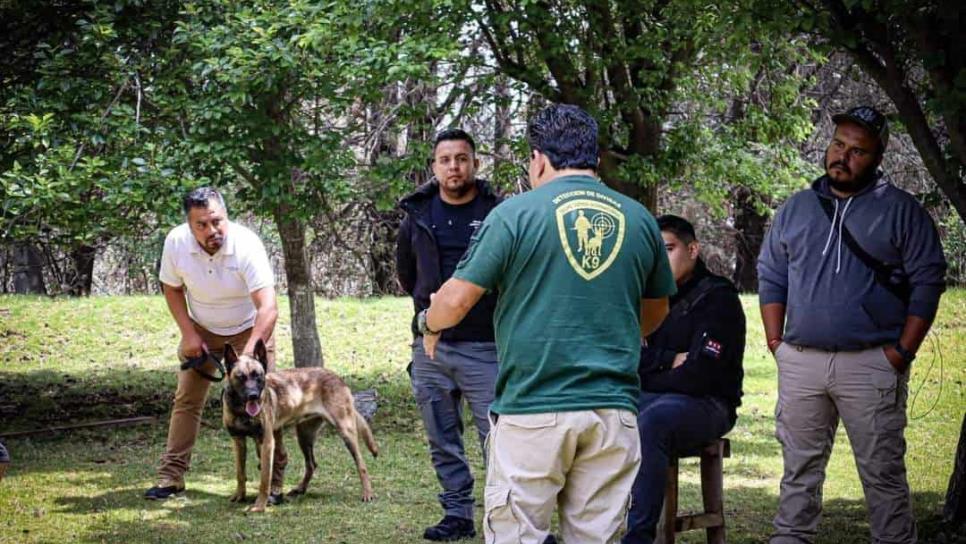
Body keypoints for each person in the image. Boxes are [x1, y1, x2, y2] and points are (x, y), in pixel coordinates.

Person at [420, 104, 676, 544]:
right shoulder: (639, 219)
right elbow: (656, 312)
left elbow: (456, 301)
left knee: (517, 534)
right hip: (612, 412)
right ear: (595, 158)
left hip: (533, 407)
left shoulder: (514, 214)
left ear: (538, 158)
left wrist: (429, 322)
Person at [757, 106, 947, 543]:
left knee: (882, 477)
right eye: (838, 145)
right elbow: (771, 274)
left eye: (857, 151)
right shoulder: (796, 208)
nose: (842, 157)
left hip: (872, 363)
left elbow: (928, 282)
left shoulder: (902, 211)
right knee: (798, 474)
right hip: (802, 361)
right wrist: (775, 344)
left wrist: (901, 354)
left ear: (878, 156)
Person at [144, 187, 286, 502]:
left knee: (264, 402)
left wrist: (249, 355)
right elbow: (171, 289)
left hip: (251, 331)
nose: (212, 230)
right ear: (189, 225)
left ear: (226, 216)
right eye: (202, 225)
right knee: (186, 400)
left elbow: (269, 308)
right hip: (204, 330)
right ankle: (171, 477)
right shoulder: (176, 243)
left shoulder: (247, 244)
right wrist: (188, 333)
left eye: (217, 221)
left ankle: (274, 485)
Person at [396, 128, 503, 541]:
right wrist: (429, 311)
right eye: (445, 160)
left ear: (475, 163)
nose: (454, 167)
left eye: (462, 158)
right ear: (434, 167)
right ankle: (457, 513)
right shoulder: (418, 214)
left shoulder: (498, 211)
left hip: (487, 343)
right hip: (431, 346)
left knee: (498, 436)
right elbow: (407, 273)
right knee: (442, 434)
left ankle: (503, 513)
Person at [622, 214, 745, 544]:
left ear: (693, 249)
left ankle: (638, 537)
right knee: (604, 409)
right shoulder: (647, 298)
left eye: (669, 249)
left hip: (708, 404)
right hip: (655, 396)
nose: (661, 260)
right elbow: (624, 359)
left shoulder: (717, 298)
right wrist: (664, 362)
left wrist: (647, 374)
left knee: (652, 421)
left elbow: (699, 375)